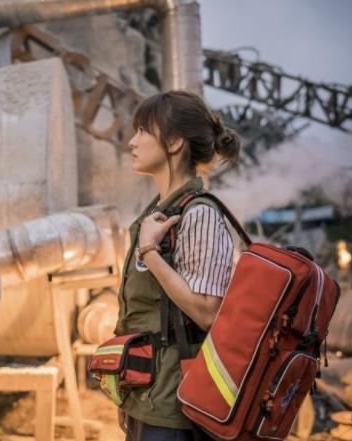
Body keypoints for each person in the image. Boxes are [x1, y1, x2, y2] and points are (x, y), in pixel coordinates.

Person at [115, 90, 242, 441]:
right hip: (147, 392)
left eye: (143, 131)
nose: (132, 142)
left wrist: (149, 252)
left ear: (174, 143)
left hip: (176, 402)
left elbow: (207, 312)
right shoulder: (160, 211)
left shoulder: (199, 214)